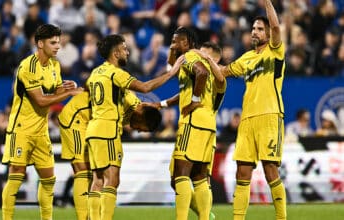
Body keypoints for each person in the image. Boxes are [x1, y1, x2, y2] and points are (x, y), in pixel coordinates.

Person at [85, 34, 182, 220]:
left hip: (93, 130)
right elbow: (145, 88)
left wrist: (155, 105)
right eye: (124, 48)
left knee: (98, 179)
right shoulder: (116, 73)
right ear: (116, 52)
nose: (127, 52)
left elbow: (121, 99)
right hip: (108, 130)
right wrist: (171, 73)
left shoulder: (95, 73)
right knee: (112, 180)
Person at [1, 24, 83, 220]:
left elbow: (53, 93)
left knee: (48, 179)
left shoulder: (54, 65)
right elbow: (40, 100)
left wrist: (66, 87)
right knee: (16, 175)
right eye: (53, 42)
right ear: (40, 43)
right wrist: (68, 94)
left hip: (41, 130)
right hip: (21, 129)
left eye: (58, 42)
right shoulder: (27, 67)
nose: (57, 46)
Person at [215, 1, 287, 219]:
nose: (254, 32)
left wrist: (266, 2)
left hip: (269, 115)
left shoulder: (275, 50)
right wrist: (202, 58)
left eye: (259, 29)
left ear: (267, 33)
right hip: (247, 120)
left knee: (270, 169)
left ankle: (281, 217)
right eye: (253, 28)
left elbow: (276, 28)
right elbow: (224, 71)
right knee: (242, 172)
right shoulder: (247, 57)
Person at [58, 88, 162, 220]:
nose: (137, 130)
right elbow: (108, 85)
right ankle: (83, 217)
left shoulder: (132, 113)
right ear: (141, 117)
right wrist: (84, 90)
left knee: (96, 175)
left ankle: (93, 215)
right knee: (83, 171)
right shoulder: (128, 100)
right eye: (140, 128)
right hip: (76, 118)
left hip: (91, 125)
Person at [160, 33, 225, 220]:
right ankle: (205, 217)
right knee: (200, 177)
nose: (198, 54)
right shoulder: (219, 80)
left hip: (193, 121)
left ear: (211, 57)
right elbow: (182, 81)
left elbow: (199, 73)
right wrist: (163, 104)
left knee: (179, 175)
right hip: (209, 126)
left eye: (202, 53)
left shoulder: (194, 61)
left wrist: (194, 100)